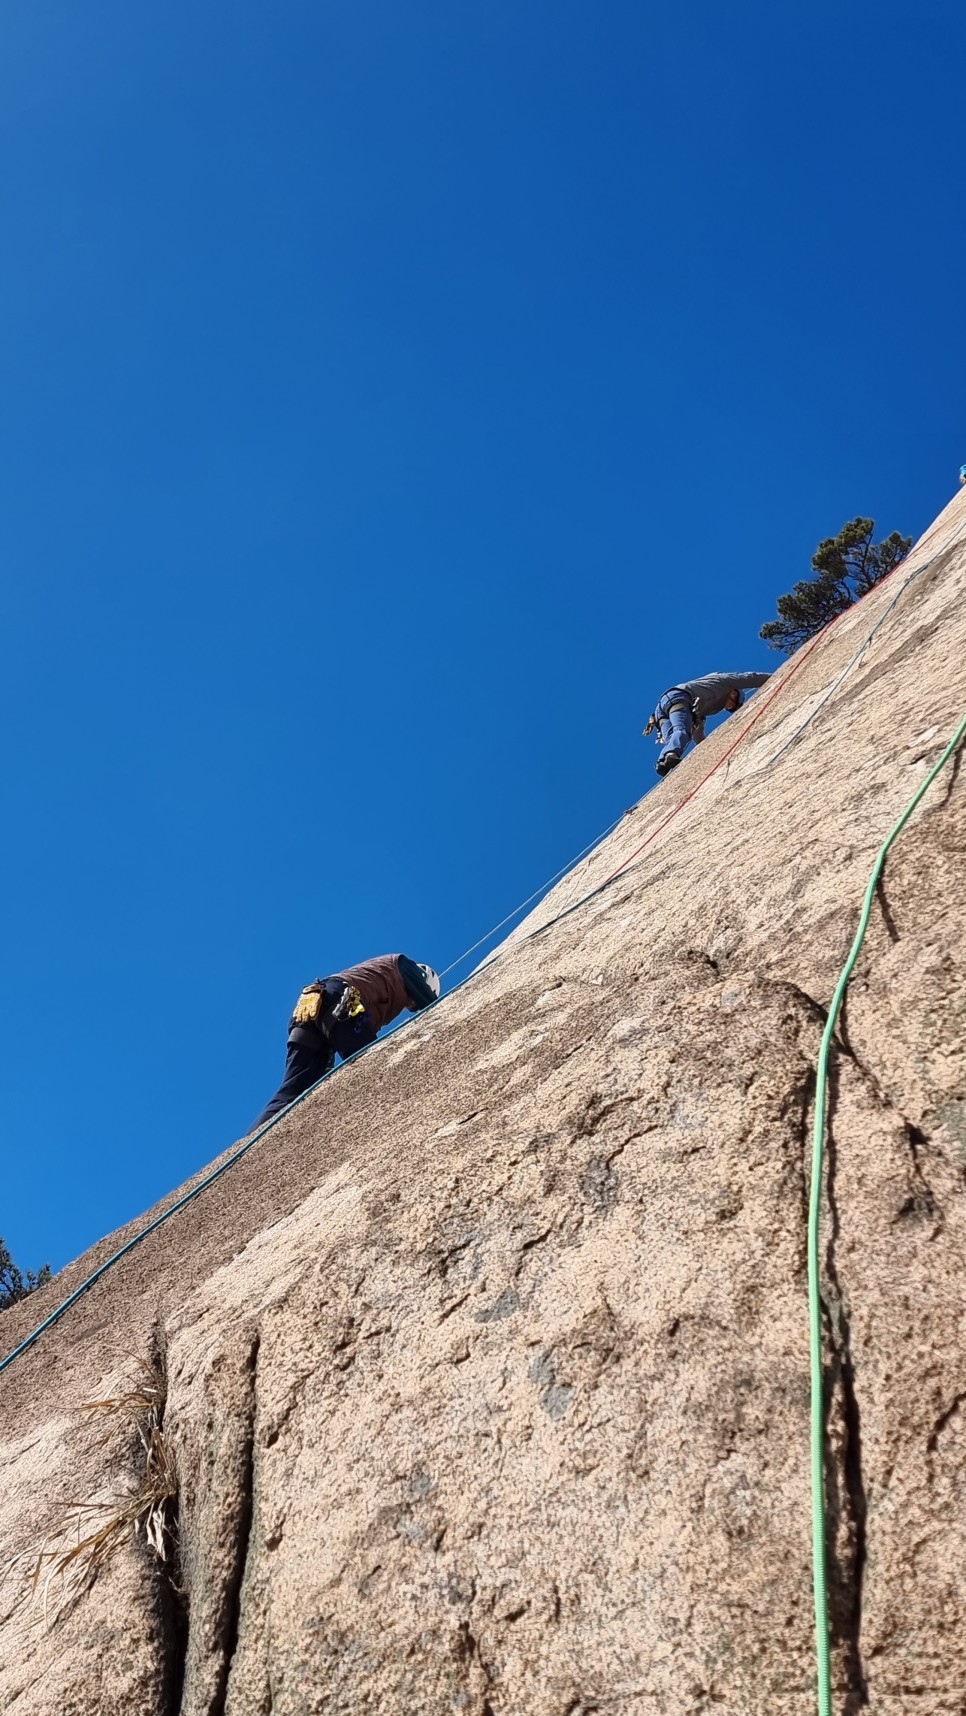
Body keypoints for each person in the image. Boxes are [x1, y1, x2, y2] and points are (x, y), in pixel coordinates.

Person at [252, 954, 440, 1127]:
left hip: (310, 1006)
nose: (411, 1005)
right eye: (414, 1003)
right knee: (373, 1067)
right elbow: (431, 1006)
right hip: (341, 1000)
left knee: (295, 1090)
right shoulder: (403, 965)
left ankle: (249, 1143)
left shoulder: (380, 981)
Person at [645, 671, 771, 777]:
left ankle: (663, 763)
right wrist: (774, 676)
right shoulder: (724, 682)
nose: (729, 708)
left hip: (661, 710)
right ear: (734, 693)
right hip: (680, 697)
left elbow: (698, 733)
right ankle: (670, 755)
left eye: (731, 709)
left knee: (673, 739)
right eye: (733, 705)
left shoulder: (710, 707)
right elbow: (748, 678)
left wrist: (707, 749)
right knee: (682, 731)